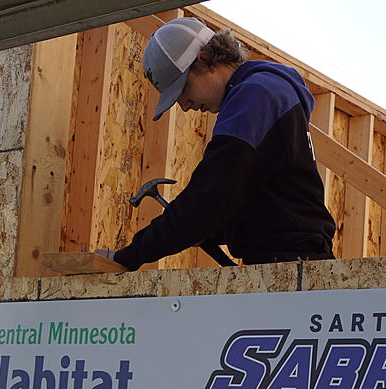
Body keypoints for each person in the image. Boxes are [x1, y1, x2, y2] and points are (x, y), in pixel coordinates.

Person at [111, 17, 336, 270]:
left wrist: (129, 256)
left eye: (183, 89)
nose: (184, 105)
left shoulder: (256, 96)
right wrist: (215, 230)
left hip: (289, 266)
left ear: (206, 60)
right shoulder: (267, 93)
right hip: (289, 263)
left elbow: (209, 196)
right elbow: (262, 199)